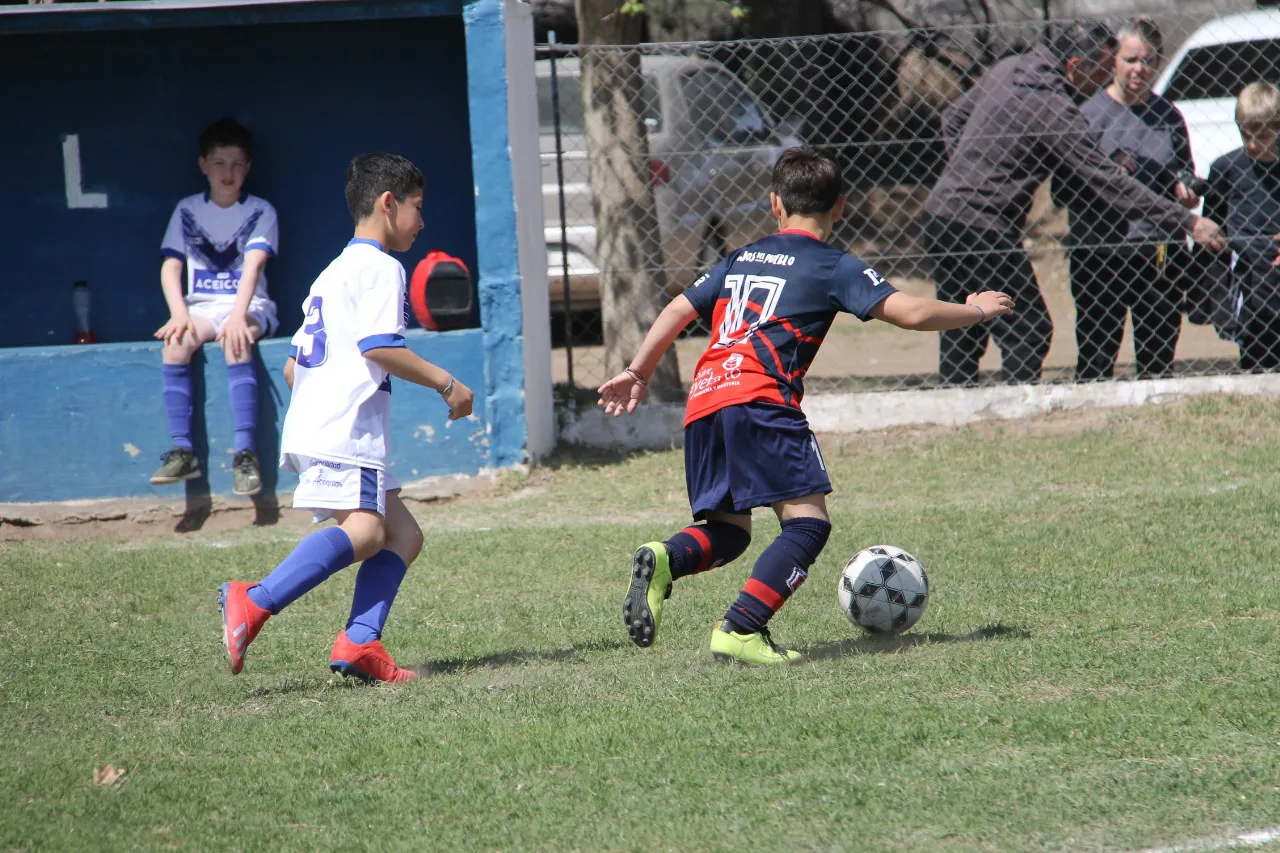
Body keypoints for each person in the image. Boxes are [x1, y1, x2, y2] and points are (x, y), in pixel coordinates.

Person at [598, 146, 1014, 665]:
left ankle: (665, 559)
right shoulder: (832, 265)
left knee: (728, 533)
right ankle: (741, 629)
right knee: (807, 525)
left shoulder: (742, 257)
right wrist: (975, 310)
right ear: (841, 206)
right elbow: (908, 312)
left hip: (706, 399)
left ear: (775, 203)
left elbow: (678, 308)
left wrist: (637, 371)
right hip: (760, 400)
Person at [217, 152, 474, 684]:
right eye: (417, 207)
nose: (422, 221)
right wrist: (447, 383)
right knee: (367, 531)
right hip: (345, 430)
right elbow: (380, 347)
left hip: (323, 425)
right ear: (388, 203)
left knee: (403, 535)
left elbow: (293, 367)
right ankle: (255, 599)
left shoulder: (331, 273)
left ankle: (360, 643)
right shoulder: (382, 267)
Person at [921, 20, 1226, 386]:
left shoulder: (1009, 68)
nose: (1106, 77)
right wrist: (1189, 221)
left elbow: (952, 119)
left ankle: (956, 405)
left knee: (961, 323)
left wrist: (969, 172)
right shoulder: (1056, 109)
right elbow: (1109, 182)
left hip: (941, 214)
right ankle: (1019, 410)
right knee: (1028, 330)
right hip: (983, 224)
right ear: (1075, 65)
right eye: (1103, 67)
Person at [150, 118, 280, 497]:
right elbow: (171, 266)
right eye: (220, 163)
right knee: (176, 344)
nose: (228, 172)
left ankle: (245, 455)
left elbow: (254, 265)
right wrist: (179, 314)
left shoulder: (261, 211)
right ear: (203, 165)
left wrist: (239, 316)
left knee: (235, 340)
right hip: (202, 307)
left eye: (237, 164)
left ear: (248, 167)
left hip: (250, 305)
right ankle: (182, 451)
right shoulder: (187, 210)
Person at [1066, 17, 1200, 381]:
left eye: (1148, 60)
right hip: (1100, 253)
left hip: (1159, 252)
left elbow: (1182, 173)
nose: (1140, 68)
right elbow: (1064, 192)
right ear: (1112, 60)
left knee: (1158, 361)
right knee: (1096, 360)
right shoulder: (1087, 117)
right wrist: (1109, 173)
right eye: (1130, 59)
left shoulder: (1169, 116)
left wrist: (1185, 191)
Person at [1204, 82, 1280, 373]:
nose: (1252, 145)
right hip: (1250, 286)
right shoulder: (1226, 169)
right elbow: (1213, 227)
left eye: (1262, 136)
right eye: (1245, 135)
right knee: (1257, 364)